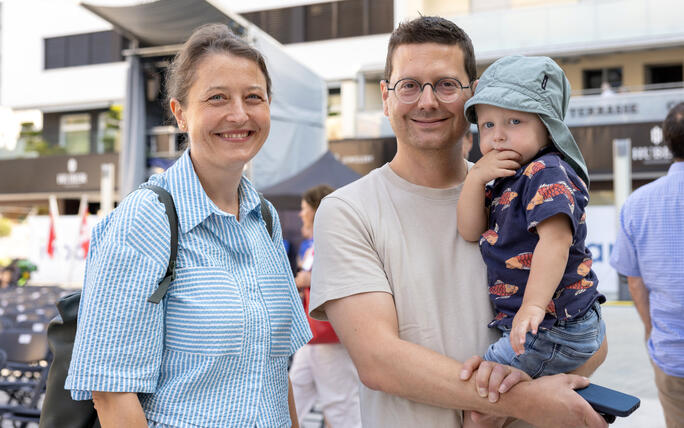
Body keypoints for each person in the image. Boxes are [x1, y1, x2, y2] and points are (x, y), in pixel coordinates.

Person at [309, 16, 608, 428]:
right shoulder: (348, 210)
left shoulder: (520, 189)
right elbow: (379, 361)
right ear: (385, 97)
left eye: (446, 85)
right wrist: (521, 401)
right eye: (409, 85)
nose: (427, 101)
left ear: (473, 94)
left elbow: (595, 340)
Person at [65, 24, 311, 428]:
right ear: (180, 113)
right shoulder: (145, 220)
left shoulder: (263, 218)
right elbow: (111, 394)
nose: (239, 114)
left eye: (254, 97)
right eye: (217, 97)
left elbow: (274, 374)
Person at [457, 56, 606, 427]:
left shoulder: (545, 170)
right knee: (497, 386)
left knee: (482, 396)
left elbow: (555, 242)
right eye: (488, 124)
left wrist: (533, 307)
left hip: (554, 324)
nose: (499, 135)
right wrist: (475, 181)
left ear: (548, 126)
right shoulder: (506, 176)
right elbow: (469, 230)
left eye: (515, 121)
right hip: (550, 323)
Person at [610, 102, 684, 428]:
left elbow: (634, 281)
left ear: (667, 142)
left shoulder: (638, 204)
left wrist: (652, 331)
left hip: (670, 355)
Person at [290, 185, 362, 428]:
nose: (301, 214)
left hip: (329, 334)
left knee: (340, 404)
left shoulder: (337, 240)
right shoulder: (314, 243)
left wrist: (310, 279)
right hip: (312, 335)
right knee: (294, 393)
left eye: (304, 209)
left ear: (316, 210)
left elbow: (350, 275)